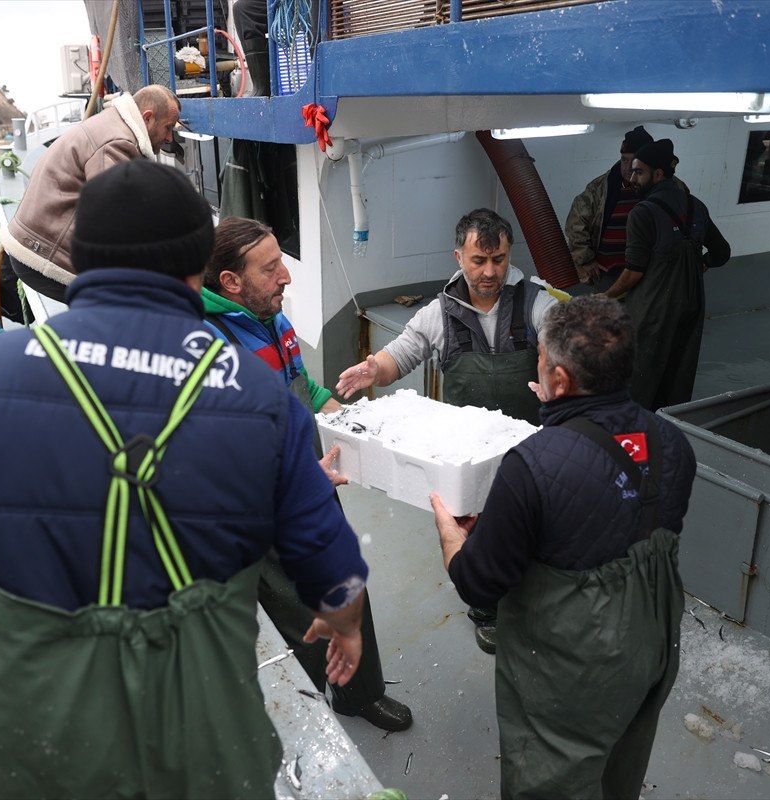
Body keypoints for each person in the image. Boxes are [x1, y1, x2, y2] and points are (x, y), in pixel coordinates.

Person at [0, 161, 369, 798]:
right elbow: (331, 563)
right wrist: (344, 623)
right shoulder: (258, 396)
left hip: (22, 748)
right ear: (194, 268)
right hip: (193, 748)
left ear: (80, 258)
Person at [431, 295, 697, 799]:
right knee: (623, 760)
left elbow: (479, 584)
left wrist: (453, 538)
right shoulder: (673, 442)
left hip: (573, 668)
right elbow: (618, 513)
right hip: (653, 641)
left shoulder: (529, 465)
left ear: (558, 379)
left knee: (552, 776)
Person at [202, 215, 413, 732]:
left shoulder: (273, 319)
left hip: (312, 485)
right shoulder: (206, 349)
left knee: (344, 588)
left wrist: (353, 419)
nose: (286, 277)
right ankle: (304, 720)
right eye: (271, 267)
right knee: (297, 620)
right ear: (230, 282)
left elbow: (304, 389)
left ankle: (358, 695)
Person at [335, 208, 562, 653]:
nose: (489, 271)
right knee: (475, 530)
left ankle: (533, 598)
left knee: (533, 524)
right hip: (466, 454)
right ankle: (486, 610)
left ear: (508, 255)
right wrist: (371, 368)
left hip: (528, 445)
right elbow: (400, 354)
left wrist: (559, 375)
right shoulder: (439, 312)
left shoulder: (538, 302)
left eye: (498, 259)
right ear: (459, 256)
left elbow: (559, 339)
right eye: (479, 260)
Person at [0, 84, 182, 301]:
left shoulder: (111, 124)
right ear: (148, 118)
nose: (170, 138)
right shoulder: (117, 143)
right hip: (45, 254)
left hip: (35, 239)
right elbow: (113, 219)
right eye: (168, 127)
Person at [604, 138, 731, 410]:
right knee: (678, 377)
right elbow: (722, 253)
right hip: (690, 308)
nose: (632, 178)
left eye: (639, 172)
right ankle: (670, 434)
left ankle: (635, 440)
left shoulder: (642, 212)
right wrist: (702, 264)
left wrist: (606, 296)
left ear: (658, 174)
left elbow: (634, 272)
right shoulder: (697, 206)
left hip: (651, 312)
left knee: (639, 380)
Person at [565, 125, 654, 293]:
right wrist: (586, 260)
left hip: (647, 273)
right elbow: (576, 223)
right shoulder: (600, 188)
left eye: (634, 161)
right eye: (624, 160)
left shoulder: (664, 188)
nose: (627, 167)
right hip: (607, 274)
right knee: (608, 317)